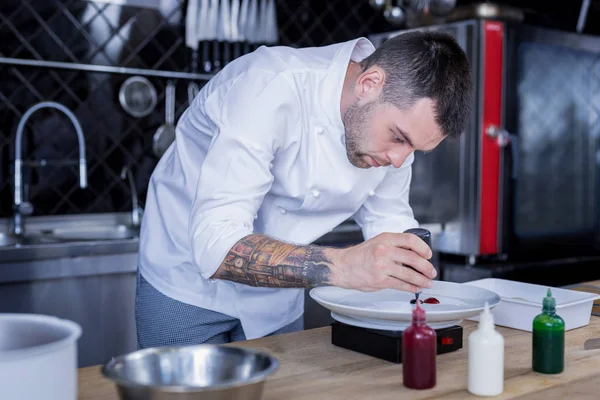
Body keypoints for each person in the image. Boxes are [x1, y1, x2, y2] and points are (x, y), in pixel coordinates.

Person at [135, 30, 472, 348]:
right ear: (369, 84)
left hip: (279, 295)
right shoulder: (270, 85)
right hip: (185, 284)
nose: (399, 161)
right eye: (398, 137)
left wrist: (415, 282)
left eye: (413, 149)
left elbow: (389, 217)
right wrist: (342, 266)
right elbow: (214, 245)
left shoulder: (394, 141)